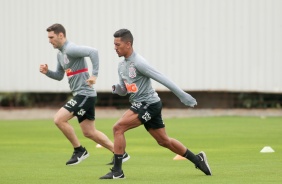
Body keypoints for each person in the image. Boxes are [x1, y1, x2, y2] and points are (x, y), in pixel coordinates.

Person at [99, 29, 211, 179]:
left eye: (117, 44)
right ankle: (198, 159)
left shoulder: (139, 62)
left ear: (128, 44)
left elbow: (162, 78)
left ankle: (117, 171)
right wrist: (118, 89)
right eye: (114, 44)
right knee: (164, 141)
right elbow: (125, 90)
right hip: (142, 104)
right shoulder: (121, 66)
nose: (115, 48)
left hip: (148, 104)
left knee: (118, 128)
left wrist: (182, 95)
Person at [39, 24, 130, 166]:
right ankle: (119, 153)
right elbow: (58, 76)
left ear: (61, 35)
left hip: (84, 94)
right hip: (83, 95)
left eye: (51, 37)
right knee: (89, 132)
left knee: (59, 119)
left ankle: (79, 150)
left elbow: (93, 52)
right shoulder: (60, 54)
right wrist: (47, 72)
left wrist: (95, 75)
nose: (49, 40)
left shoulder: (71, 49)